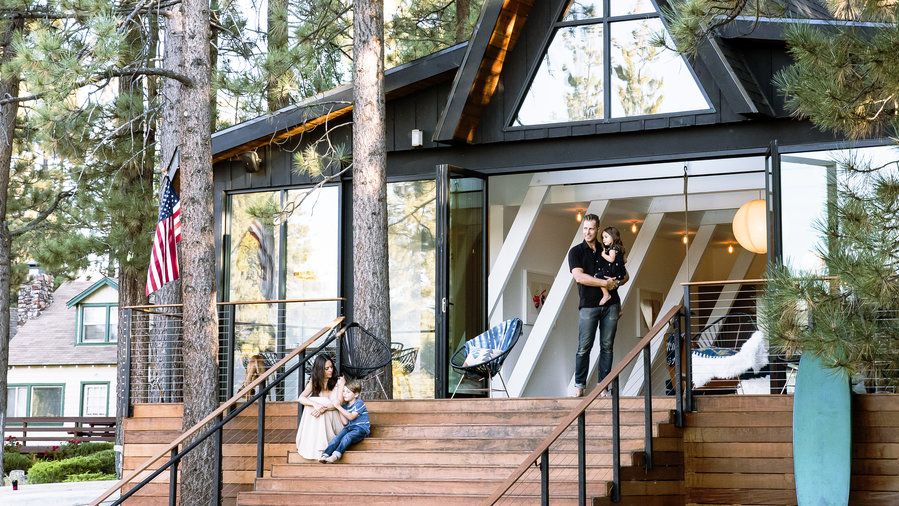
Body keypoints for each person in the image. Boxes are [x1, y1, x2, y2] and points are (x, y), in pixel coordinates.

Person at [568, 215, 629, 398]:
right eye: (585, 228)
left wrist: (615, 284)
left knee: (607, 346)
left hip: (611, 305)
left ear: (598, 229)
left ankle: (604, 386)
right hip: (588, 306)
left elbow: (625, 275)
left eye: (591, 229)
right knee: (584, 347)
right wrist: (603, 284)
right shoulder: (576, 252)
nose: (587, 232)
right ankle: (580, 386)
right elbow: (580, 277)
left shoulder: (607, 249)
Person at [295, 354, 346, 460]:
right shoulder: (314, 382)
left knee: (318, 400)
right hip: (321, 422)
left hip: (336, 421)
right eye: (327, 368)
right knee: (312, 402)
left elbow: (339, 402)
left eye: (331, 367)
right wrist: (316, 405)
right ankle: (316, 446)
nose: (330, 370)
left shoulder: (339, 381)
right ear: (319, 369)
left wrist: (323, 408)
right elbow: (301, 398)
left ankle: (322, 448)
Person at [318, 380, 370, 463]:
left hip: (361, 429)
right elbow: (345, 422)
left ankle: (335, 455)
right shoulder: (345, 406)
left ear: (356, 394)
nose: (344, 394)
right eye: (343, 391)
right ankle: (325, 455)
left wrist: (338, 407)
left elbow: (351, 417)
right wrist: (339, 407)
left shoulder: (359, 403)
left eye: (348, 392)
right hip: (349, 427)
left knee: (347, 437)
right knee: (337, 437)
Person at [596, 227, 627, 307]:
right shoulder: (621, 248)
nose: (603, 239)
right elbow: (625, 260)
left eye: (606, 237)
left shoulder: (612, 248)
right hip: (620, 272)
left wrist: (603, 255)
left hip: (612, 271)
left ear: (613, 237)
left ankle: (606, 295)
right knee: (613, 288)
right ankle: (618, 307)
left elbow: (611, 259)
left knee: (598, 276)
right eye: (603, 237)